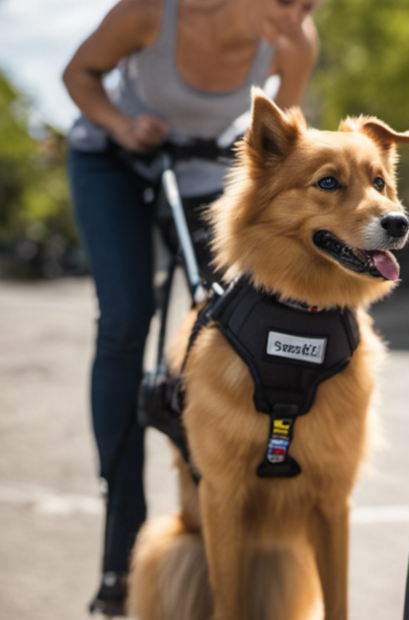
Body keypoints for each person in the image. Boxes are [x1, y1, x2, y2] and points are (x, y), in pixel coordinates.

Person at [62, 0, 318, 614]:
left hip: (206, 171)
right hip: (113, 160)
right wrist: (122, 127)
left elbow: (277, 145)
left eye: (309, 6)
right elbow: (78, 74)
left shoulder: (294, 43)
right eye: (287, 3)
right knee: (127, 319)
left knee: (233, 318)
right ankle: (123, 514)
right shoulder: (153, 12)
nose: (296, 18)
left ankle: (222, 493)